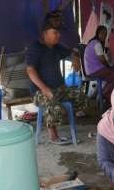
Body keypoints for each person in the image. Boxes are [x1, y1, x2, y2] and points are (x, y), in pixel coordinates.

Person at [26, 13, 86, 145]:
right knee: (53, 105)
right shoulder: (35, 48)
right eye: (55, 32)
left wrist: (76, 58)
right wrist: (44, 89)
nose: (58, 35)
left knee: (81, 97)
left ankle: (67, 120)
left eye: (59, 33)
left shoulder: (56, 47)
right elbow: (30, 70)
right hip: (40, 92)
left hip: (60, 88)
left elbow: (72, 51)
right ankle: (53, 135)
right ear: (45, 33)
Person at [84, 26, 114, 104]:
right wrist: (109, 67)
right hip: (95, 70)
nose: (104, 36)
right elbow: (102, 60)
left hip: (90, 70)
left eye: (105, 34)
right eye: (102, 33)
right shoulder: (97, 44)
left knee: (112, 75)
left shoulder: (92, 42)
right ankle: (102, 95)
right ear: (98, 33)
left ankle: (100, 94)